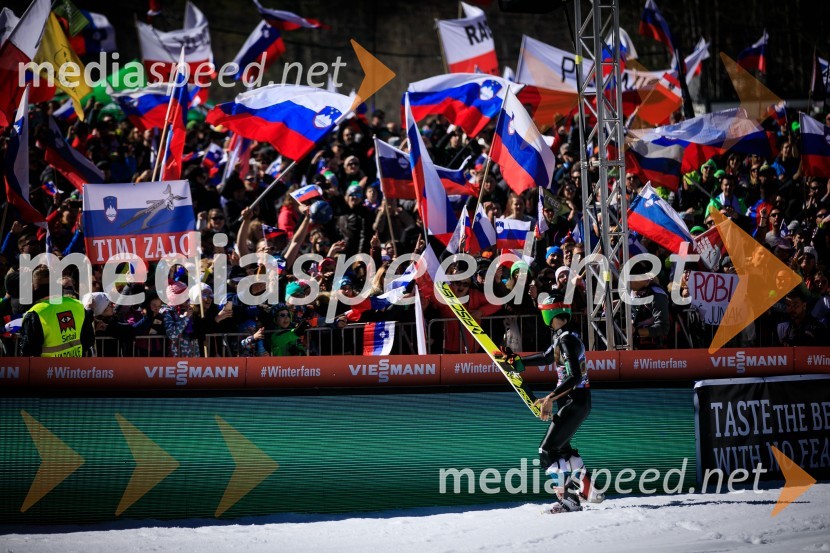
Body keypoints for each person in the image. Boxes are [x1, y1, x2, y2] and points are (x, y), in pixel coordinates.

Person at [503, 292, 600, 514]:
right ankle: (589, 492)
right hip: (576, 402)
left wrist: (549, 398)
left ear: (549, 314)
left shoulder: (565, 339)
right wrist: (519, 361)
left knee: (547, 451)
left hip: (574, 401)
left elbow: (574, 377)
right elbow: (547, 357)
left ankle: (569, 502)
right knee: (562, 448)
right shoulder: (565, 335)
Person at [20, 265, 95, 357]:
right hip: (75, 368)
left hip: (47, 369)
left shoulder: (35, 313)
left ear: (33, 288)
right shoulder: (77, 305)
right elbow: (88, 340)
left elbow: (28, 349)